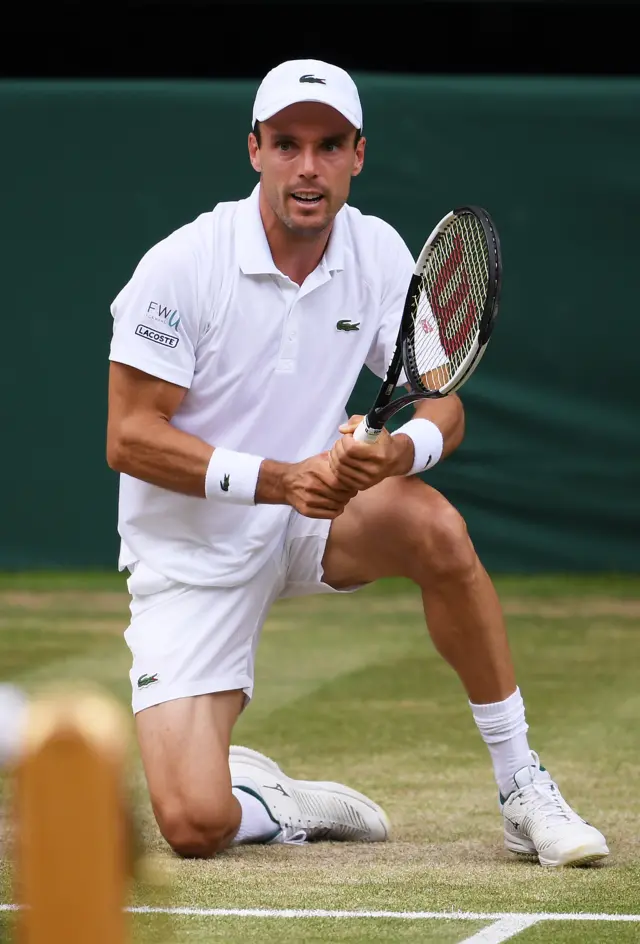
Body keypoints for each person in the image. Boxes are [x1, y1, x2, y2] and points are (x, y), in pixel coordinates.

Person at [106, 58, 608, 866]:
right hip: (191, 555)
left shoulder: (377, 253)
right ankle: (266, 797)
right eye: (290, 145)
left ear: (358, 155)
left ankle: (523, 788)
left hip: (311, 527)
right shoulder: (182, 266)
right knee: (194, 826)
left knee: (432, 524)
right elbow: (129, 437)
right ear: (256, 150)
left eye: (330, 145)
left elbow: (446, 404)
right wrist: (279, 478)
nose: (309, 167)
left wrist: (395, 453)